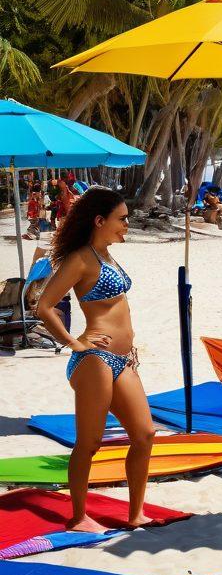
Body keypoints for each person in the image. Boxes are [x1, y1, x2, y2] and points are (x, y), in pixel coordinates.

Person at [35, 187, 154, 532]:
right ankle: (78, 517)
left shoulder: (107, 255)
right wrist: (74, 342)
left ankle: (135, 514)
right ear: (99, 221)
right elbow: (44, 307)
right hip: (95, 359)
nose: (127, 225)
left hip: (121, 359)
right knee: (90, 443)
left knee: (145, 434)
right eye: (122, 219)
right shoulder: (81, 259)